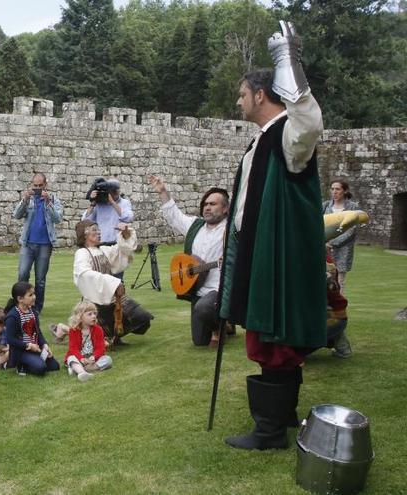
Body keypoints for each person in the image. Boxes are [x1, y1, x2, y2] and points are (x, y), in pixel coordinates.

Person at [219, 21, 327, 451]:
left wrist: (287, 58)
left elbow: (309, 120)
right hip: (256, 251)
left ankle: (269, 432)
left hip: (276, 256)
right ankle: (279, 419)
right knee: (269, 336)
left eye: (242, 94)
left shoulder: (288, 134)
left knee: (275, 338)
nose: (238, 101)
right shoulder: (261, 140)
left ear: (261, 95)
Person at [149, 175, 229, 347]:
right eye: (205, 204)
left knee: (203, 309)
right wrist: (163, 192)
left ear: (225, 209)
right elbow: (174, 216)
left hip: (218, 289)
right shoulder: (195, 225)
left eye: (213, 204)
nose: (207, 207)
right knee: (199, 342)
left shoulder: (232, 230)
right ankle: (224, 322)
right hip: (197, 288)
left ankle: (219, 328)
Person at [73, 220, 152, 344]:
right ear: (85, 235)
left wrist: (126, 234)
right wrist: (113, 283)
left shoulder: (103, 250)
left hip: (112, 297)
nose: (98, 232)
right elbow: (84, 274)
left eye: (98, 230)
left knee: (142, 319)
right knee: (94, 333)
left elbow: (122, 251)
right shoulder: (82, 253)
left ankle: (113, 336)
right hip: (94, 301)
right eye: (94, 230)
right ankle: (102, 336)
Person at [12, 173, 63, 313]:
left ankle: (37, 308)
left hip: (45, 244)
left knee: (40, 279)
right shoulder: (28, 199)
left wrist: (48, 203)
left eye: (40, 186)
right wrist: (24, 200)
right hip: (28, 243)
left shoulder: (53, 199)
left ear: (45, 185)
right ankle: (20, 305)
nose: (38, 188)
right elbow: (16, 215)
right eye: (35, 186)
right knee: (22, 274)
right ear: (31, 184)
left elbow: (58, 219)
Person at [3, 281, 60, 376]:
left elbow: (38, 332)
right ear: (20, 299)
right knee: (41, 368)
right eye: (30, 295)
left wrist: (44, 345)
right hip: (21, 351)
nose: (34, 297)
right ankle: (21, 366)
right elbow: (10, 339)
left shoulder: (32, 312)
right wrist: (28, 346)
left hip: (35, 348)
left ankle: (30, 363)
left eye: (34, 294)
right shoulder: (12, 316)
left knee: (54, 366)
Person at [323, 179, 360, 293]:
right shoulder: (325, 206)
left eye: (338, 189)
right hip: (324, 249)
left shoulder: (353, 207)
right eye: (332, 189)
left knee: (339, 281)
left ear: (345, 191)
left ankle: (339, 309)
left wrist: (332, 243)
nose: (334, 192)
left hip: (343, 250)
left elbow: (352, 230)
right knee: (324, 279)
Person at [64, 301, 112, 382]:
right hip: (79, 357)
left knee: (108, 360)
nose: (93, 316)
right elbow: (73, 348)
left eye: (94, 313)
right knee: (71, 358)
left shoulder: (98, 329)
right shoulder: (73, 330)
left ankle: (80, 369)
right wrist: (82, 359)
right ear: (80, 317)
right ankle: (82, 372)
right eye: (90, 314)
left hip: (93, 358)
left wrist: (94, 357)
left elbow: (101, 348)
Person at [83, 178, 133, 244]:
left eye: (114, 191)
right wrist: (93, 202)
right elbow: (86, 220)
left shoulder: (124, 203)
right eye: (109, 191)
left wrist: (112, 203)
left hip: (117, 244)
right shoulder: (99, 203)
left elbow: (128, 218)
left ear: (118, 192)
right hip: (101, 243)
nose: (112, 194)